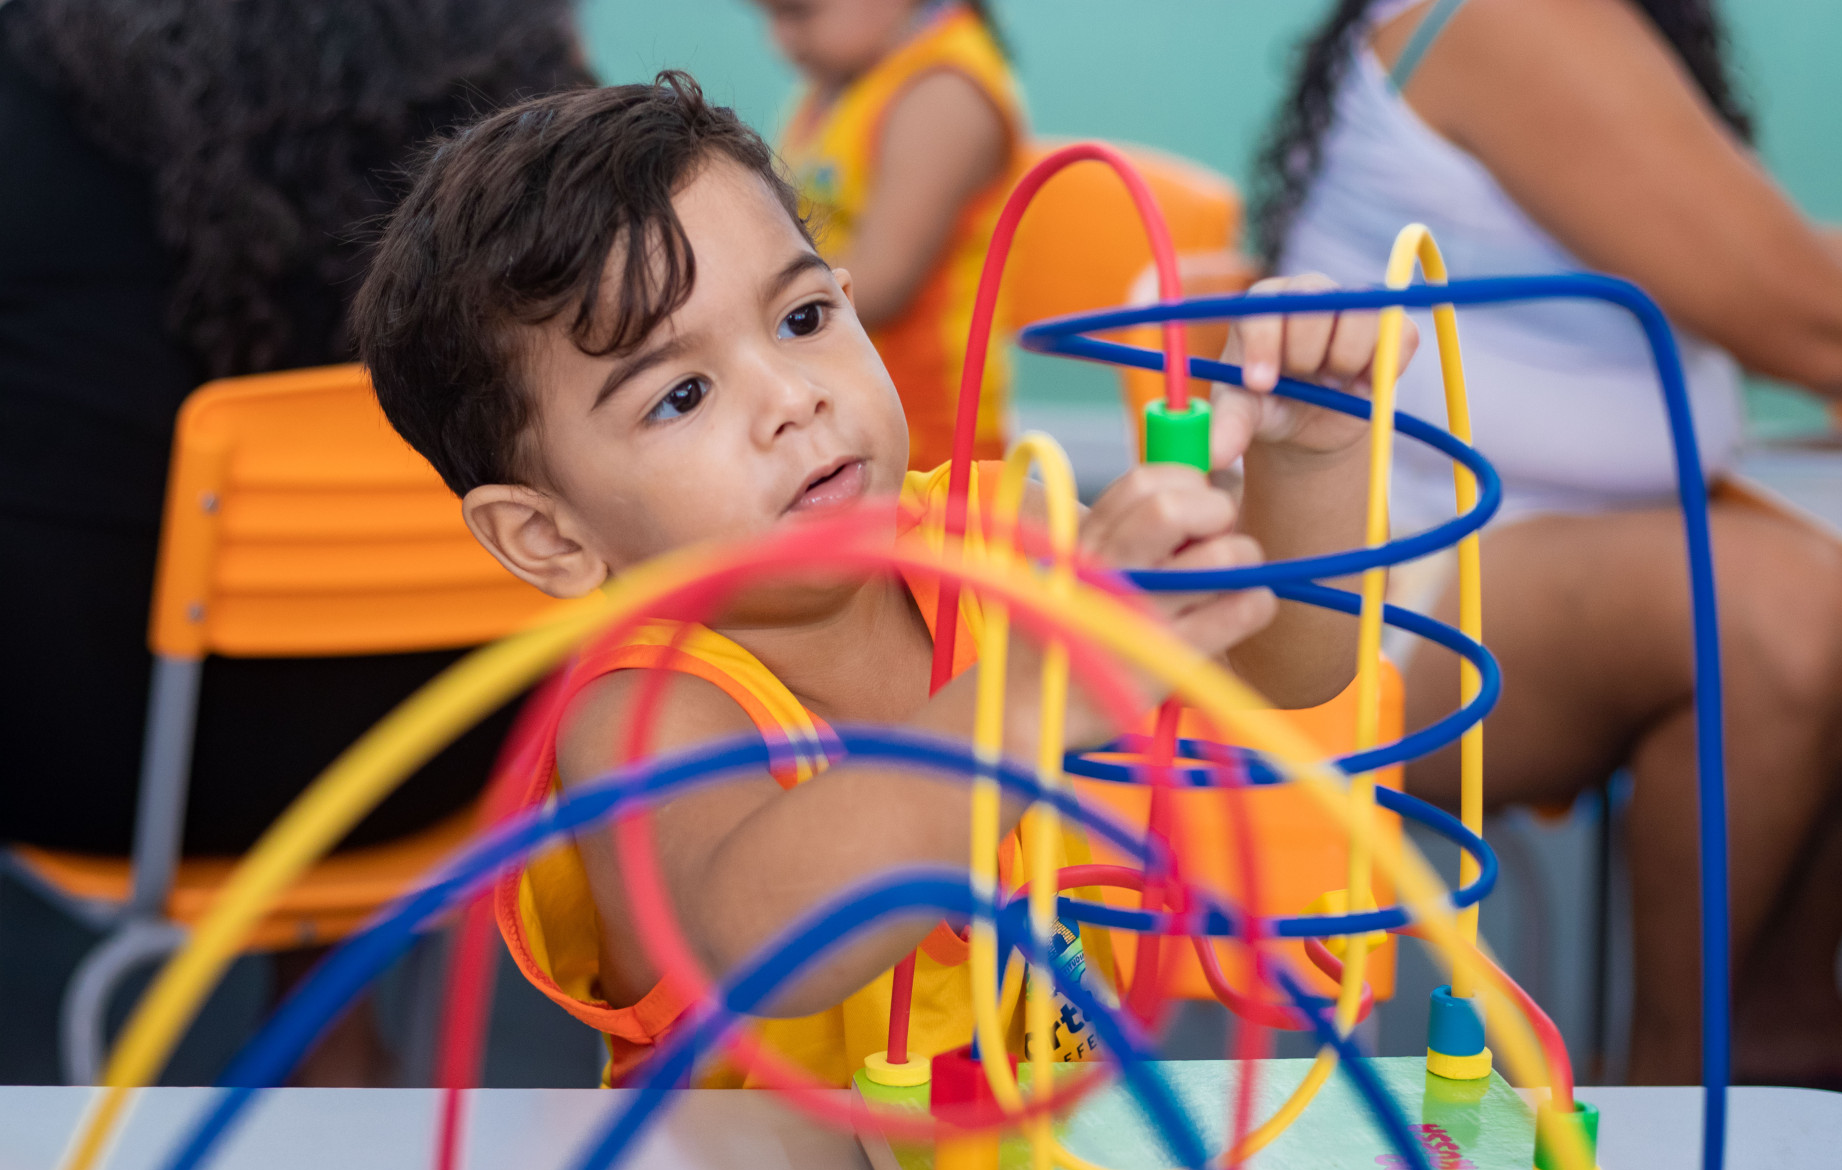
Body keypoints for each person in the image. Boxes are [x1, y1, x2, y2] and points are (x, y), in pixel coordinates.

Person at [352, 73, 1414, 1085]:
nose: (792, 397)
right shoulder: (645, 711)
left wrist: (1309, 456)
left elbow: (1275, 681)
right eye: (680, 395)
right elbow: (760, 936)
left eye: (803, 319)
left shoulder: (1012, 535)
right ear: (547, 537)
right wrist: (1031, 696)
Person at [1254, 0, 1842, 1091]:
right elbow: (1818, 318)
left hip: (1482, 551)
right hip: (1372, 604)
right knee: (1774, 609)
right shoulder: (1513, 20)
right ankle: (1673, 1089)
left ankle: (1777, 1006)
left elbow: (1794, 264)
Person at [0, 0, 590, 1083]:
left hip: (94, 763)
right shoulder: (529, 90)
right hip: (436, 756)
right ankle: (332, 1032)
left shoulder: (33, 79)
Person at [758, 0, 1024, 472]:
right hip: (843, 412)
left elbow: (881, 282)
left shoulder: (944, 92)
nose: (778, 42)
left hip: (932, 443)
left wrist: (747, 284)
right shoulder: (843, 80)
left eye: (797, 14)